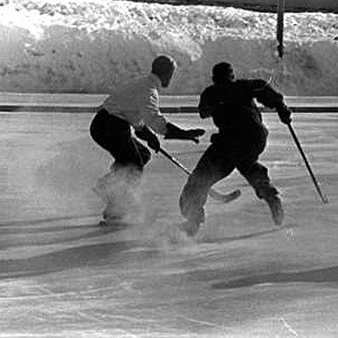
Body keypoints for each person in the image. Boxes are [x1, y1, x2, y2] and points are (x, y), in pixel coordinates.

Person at [178, 62, 292, 236]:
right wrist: (281, 107)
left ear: (214, 78)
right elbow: (262, 86)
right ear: (232, 76)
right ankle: (268, 192)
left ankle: (193, 222)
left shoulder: (211, 92)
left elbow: (203, 112)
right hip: (255, 137)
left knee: (200, 179)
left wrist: (218, 103)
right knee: (246, 161)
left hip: (231, 139)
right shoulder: (244, 86)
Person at [89, 55, 205, 224]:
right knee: (134, 164)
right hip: (109, 126)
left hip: (106, 124)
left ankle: (108, 185)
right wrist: (183, 134)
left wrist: (150, 137)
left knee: (142, 155)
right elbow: (156, 121)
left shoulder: (143, 84)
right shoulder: (148, 90)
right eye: (171, 74)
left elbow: (135, 117)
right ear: (167, 74)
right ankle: (115, 206)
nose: (171, 78)